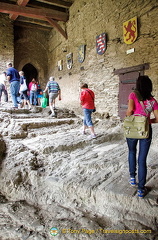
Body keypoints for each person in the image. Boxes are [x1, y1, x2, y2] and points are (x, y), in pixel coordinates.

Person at [126, 75, 158, 198]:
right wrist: (148, 122)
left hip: (133, 128)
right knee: (142, 159)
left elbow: (130, 110)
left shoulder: (133, 95)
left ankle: (132, 178)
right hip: (146, 130)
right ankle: (141, 190)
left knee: (132, 151)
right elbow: (157, 118)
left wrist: (129, 117)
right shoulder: (153, 101)